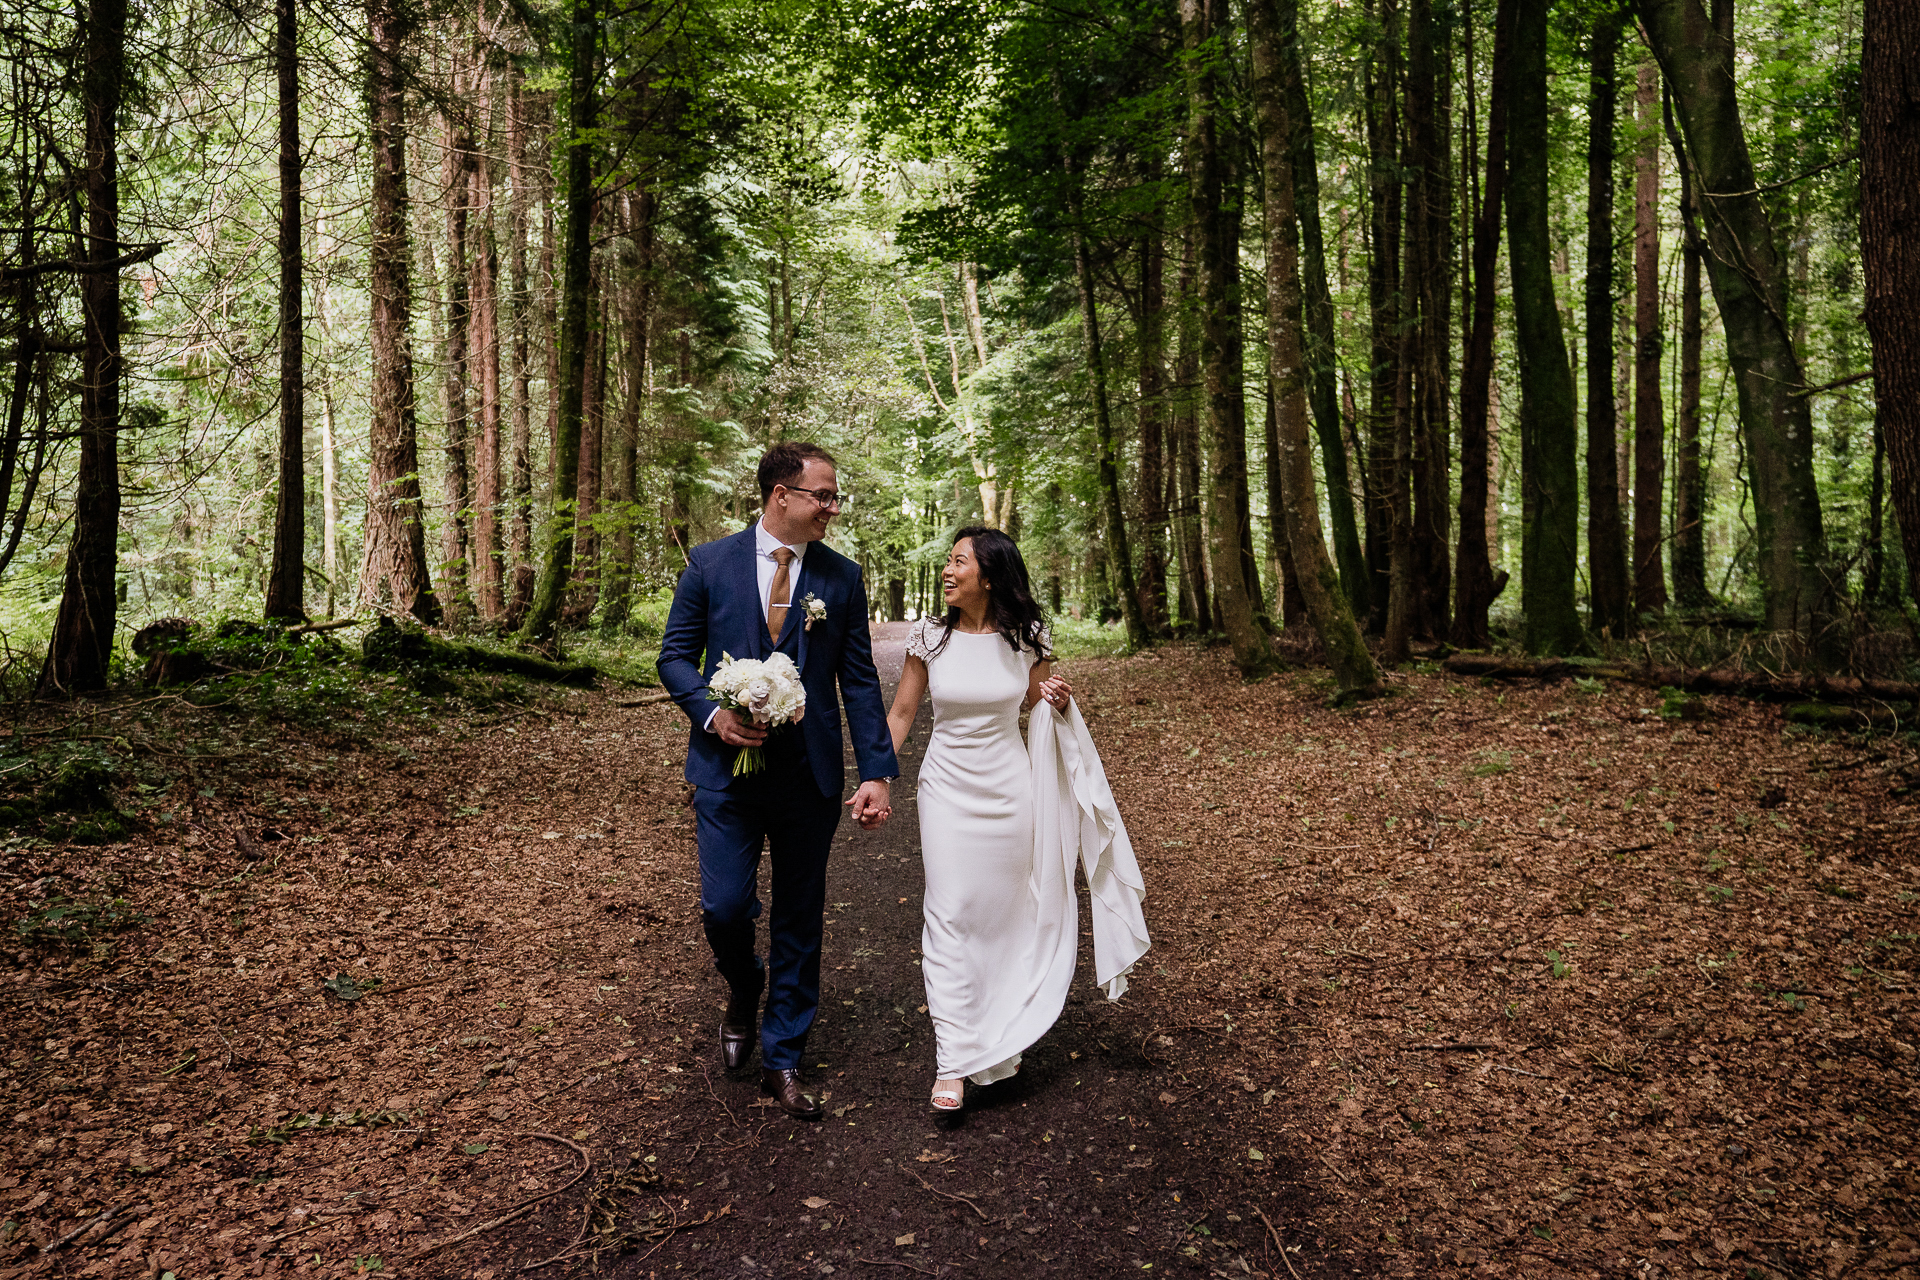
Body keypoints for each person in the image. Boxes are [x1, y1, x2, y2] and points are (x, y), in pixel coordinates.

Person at [657, 442, 898, 1121]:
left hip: (809, 777)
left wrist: (876, 770)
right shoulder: (709, 564)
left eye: (834, 495)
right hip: (724, 777)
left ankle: (783, 1055)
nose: (832, 506)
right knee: (725, 909)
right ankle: (744, 982)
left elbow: (856, 679)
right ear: (780, 496)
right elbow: (674, 656)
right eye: (822, 494)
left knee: (799, 918)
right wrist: (711, 715)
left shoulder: (842, 579)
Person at [885, 527, 1148, 1115]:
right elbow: (902, 713)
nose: (948, 571)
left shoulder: (1027, 636)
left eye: (959, 562)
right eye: (949, 561)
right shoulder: (927, 637)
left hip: (1011, 790)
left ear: (990, 574)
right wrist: (877, 778)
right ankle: (952, 1060)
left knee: (1007, 914)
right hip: (947, 790)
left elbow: (1036, 699)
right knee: (949, 911)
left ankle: (999, 1037)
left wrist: (1053, 695)